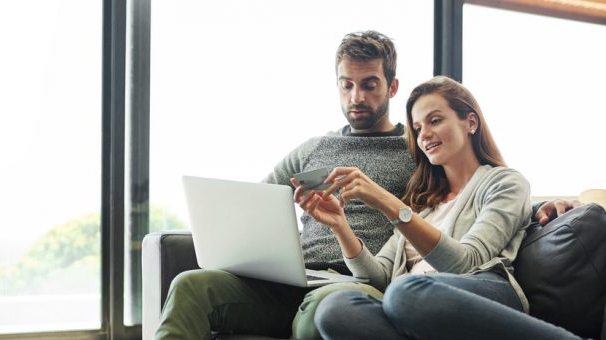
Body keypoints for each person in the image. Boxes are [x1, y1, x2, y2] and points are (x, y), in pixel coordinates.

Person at [156, 31, 579, 339]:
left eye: (369, 84)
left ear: (391, 86)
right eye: (347, 84)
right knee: (190, 285)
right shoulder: (321, 151)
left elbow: (485, 195)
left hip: (357, 285)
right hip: (297, 277)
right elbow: (251, 207)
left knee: (347, 308)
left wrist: (546, 208)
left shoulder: (417, 157)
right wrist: (337, 225)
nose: (357, 95)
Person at [309, 76, 569, 339]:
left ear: (470, 122)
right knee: (335, 309)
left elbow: (467, 263)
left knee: (406, 293)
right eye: (418, 128)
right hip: (414, 304)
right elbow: (377, 278)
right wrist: (339, 226)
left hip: (479, 291)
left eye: (435, 120)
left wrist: (387, 203)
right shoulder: (423, 206)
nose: (425, 135)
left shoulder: (505, 182)